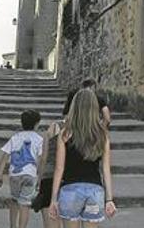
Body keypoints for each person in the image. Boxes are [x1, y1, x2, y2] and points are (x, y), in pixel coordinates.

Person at [50, 89, 116, 226]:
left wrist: (53, 199)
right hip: (95, 191)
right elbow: (106, 169)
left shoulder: (65, 133)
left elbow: (59, 168)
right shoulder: (102, 135)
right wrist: (109, 199)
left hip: (70, 190)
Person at [0, 110, 44, 228]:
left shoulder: (15, 138)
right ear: (37, 124)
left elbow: (4, 158)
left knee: (14, 200)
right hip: (30, 175)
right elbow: (40, 160)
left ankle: (13, 225)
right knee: (25, 204)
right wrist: (40, 178)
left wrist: (0, 175)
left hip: (15, 176)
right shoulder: (39, 139)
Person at [33, 117, 65, 227]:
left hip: (49, 176)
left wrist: (39, 179)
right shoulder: (80, 129)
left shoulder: (53, 127)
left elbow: (44, 158)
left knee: (49, 220)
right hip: (68, 178)